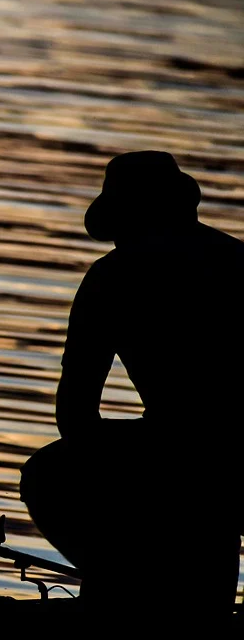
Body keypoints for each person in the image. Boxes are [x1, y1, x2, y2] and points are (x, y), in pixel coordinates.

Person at [20, 151, 243, 615]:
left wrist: (113, 509)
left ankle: (129, 590)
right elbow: (77, 410)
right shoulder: (233, 260)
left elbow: (75, 410)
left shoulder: (110, 279)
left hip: (188, 452)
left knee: (47, 476)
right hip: (192, 451)